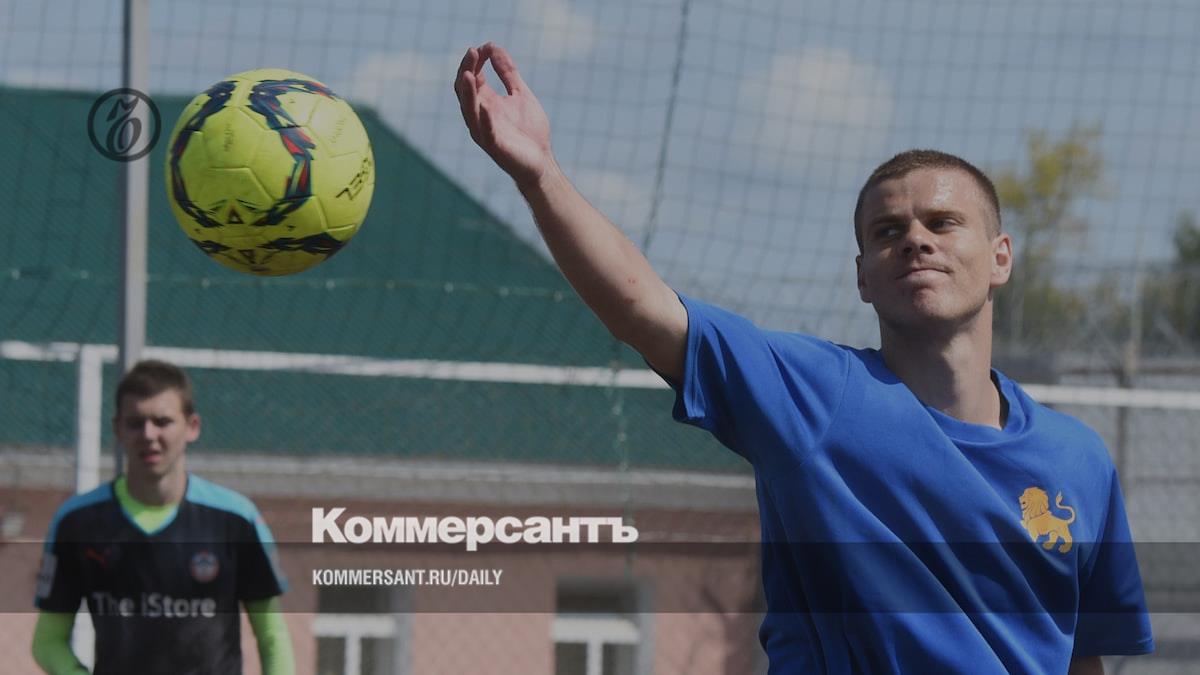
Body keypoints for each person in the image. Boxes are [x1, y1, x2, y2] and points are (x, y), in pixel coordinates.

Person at [454, 43, 1154, 674]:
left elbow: (1079, 656)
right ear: (862, 276)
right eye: (888, 231)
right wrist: (540, 175)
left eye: (943, 222)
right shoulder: (814, 396)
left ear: (1001, 257)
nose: (916, 240)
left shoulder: (1078, 460)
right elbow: (646, 308)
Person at [32, 360, 294, 675]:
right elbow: (47, 642)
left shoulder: (236, 519)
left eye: (162, 421)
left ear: (192, 427)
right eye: (135, 423)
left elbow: (273, 638)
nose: (148, 434)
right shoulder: (78, 522)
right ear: (117, 429)